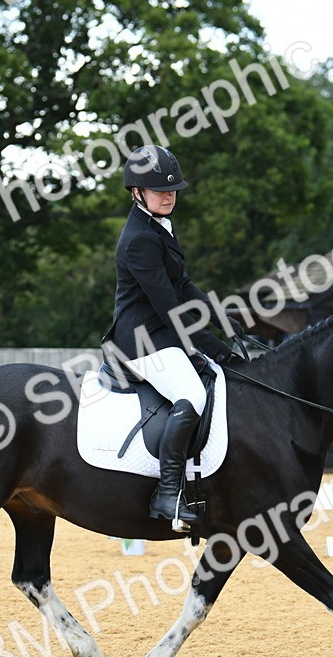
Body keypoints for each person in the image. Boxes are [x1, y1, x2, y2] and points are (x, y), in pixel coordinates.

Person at [104, 145, 235, 532]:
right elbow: (169, 309)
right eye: (160, 190)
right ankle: (167, 493)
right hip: (141, 340)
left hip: (162, 332)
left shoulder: (158, 225)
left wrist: (222, 318)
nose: (169, 195)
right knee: (192, 395)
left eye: (174, 188)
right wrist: (214, 346)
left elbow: (183, 284)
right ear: (136, 192)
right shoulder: (139, 239)